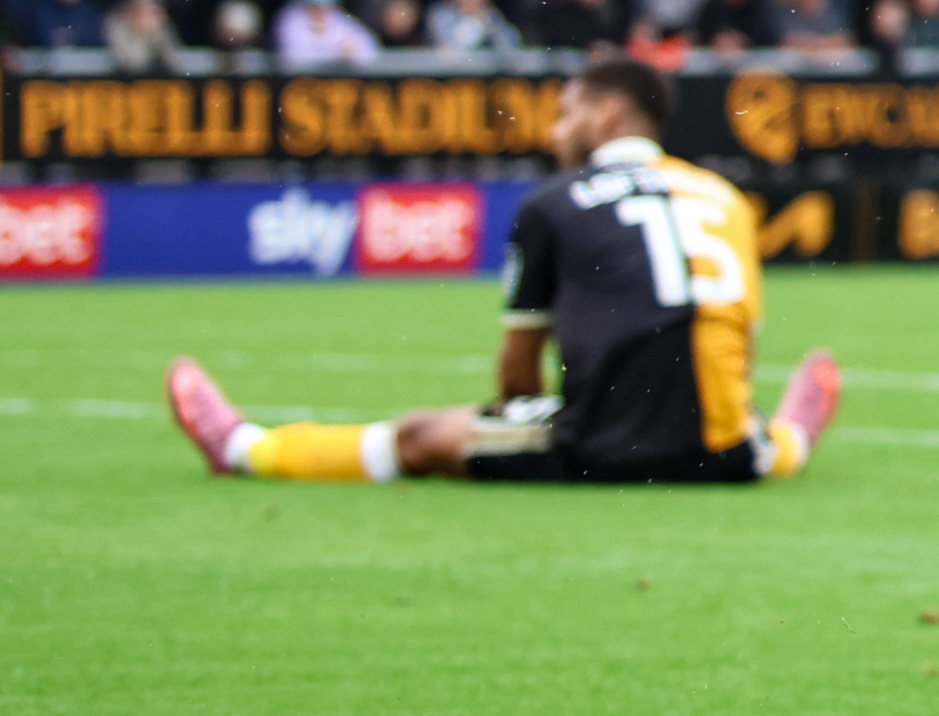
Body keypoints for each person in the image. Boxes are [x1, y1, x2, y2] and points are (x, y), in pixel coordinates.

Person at [163, 57, 841, 485]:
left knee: (420, 437)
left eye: (566, 114)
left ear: (607, 112)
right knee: (731, 419)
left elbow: (518, 374)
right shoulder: (724, 196)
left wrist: (529, 414)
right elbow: (739, 346)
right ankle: (788, 439)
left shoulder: (555, 202)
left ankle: (246, 449)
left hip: (608, 448)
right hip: (724, 450)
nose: (554, 133)